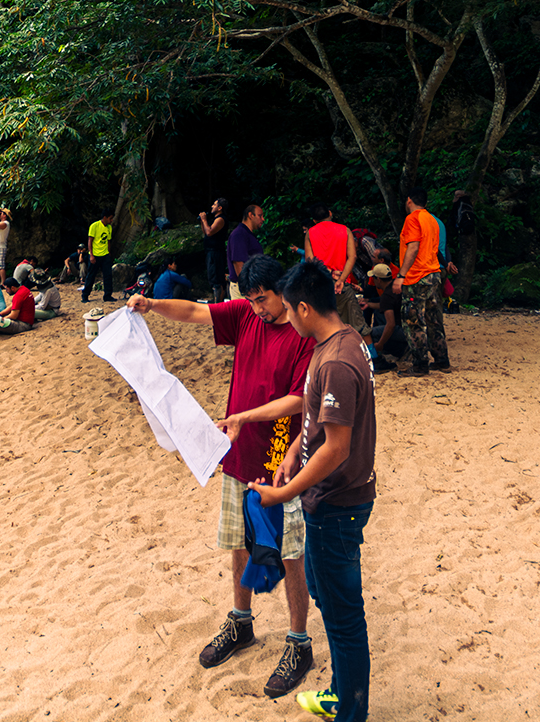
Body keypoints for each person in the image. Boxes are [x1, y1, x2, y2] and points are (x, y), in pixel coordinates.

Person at [125, 253, 317, 700]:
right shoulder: (247, 317)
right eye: (249, 300)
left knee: (289, 551)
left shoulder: (305, 335)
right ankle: (241, 621)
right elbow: (195, 311)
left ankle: (298, 642)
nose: (256, 308)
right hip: (237, 453)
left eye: (262, 299)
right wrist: (151, 306)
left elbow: (300, 401)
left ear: (283, 291)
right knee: (236, 541)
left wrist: (248, 418)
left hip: (280, 460)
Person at [251, 260, 378, 722]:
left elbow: (338, 448)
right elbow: (317, 431)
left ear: (305, 308)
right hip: (324, 498)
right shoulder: (334, 344)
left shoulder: (340, 361)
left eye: (289, 309)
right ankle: (341, 695)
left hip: (338, 503)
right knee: (327, 596)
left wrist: (284, 495)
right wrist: (291, 457)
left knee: (344, 619)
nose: (287, 317)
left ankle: (350, 711)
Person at [389, 187, 449, 375]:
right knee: (434, 319)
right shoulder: (432, 220)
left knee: (413, 321)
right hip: (433, 274)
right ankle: (441, 360)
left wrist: (401, 276)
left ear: (409, 200)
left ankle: (420, 364)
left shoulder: (412, 219)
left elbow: (413, 248)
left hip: (417, 277)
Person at [301, 204, 359, 329]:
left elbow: (310, 261)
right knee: (358, 327)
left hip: (320, 283)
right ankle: (368, 349)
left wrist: (330, 272)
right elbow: (352, 257)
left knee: (327, 327)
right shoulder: (345, 230)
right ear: (330, 213)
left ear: (314, 220)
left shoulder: (310, 234)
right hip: (342, 285)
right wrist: (341, 279)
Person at [356, 263, 404, 370]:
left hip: (400, 330)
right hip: (405, 326)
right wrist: (368, 304)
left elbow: (390, 325)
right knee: (379, 314)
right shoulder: (394, 288)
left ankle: (376, 361)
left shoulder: (386, 295)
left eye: (373, 278)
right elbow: (385, 306)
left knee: (370, 334)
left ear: (378, 279)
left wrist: (380, 344)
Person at [229, 203, 266, 295]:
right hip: (245, 289)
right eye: (260, 216)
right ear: (250, 215)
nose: (263, 219)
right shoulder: (239, 234)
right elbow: (238, 263)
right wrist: (247, 289)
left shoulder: (246, 234)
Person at [201, 197, 232, 302]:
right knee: (213, 277)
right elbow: (206, 233)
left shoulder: (220, 219)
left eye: (214, 205)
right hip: (211, 252)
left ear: (220, 208)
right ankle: (217, 301)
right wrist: (202, 222)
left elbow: (209, 232)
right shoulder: (215, 219)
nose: (212, 206)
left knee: (217, 279)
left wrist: (204, 220)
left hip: (216, 252)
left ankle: (218, 303)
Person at [82, 212, 115, 304]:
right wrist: (91, 255)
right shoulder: (94, 226)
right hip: (95, 254)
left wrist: (108, 253)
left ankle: (108, 295)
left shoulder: (109, 228)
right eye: (110, 218)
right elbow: (90, 241)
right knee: (91, 276)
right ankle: (85, 295)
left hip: (105, 255)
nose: (111, 220)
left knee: (108, 275)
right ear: (105, 217)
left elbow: (108, 241)